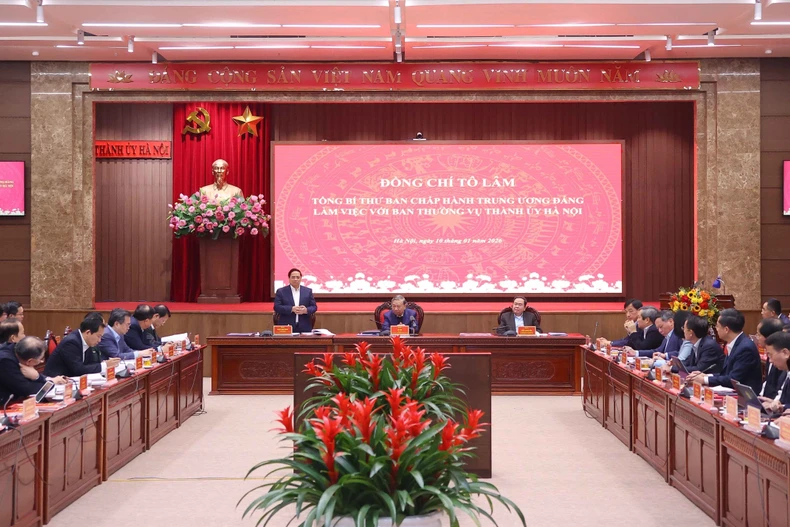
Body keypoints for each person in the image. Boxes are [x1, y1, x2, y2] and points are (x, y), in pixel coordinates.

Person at [687, 308, 762, 393]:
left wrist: (704, 380)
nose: (716, 329)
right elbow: (726, 374)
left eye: (718, 326)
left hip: (745, 398)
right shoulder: (735, 343)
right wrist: (705, 375)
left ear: (726, 329)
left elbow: (734, 379)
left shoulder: (745, 348)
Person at [44, 313, 119, 377]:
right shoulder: (71, 342)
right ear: (88, 333)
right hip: (57, 383)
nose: (99, 340)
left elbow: (90, 364)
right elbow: (78, 369)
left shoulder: (87, 341)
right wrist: (105, 365)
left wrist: (105, 363)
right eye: (98, 336)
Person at [0, 336, 68, 403]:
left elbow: (32, 377)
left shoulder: (17, 349)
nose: (42, 361)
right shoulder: (5, 362)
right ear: (30, 361)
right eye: (41, 359)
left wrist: (38, 377)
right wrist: (51, 383)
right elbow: (27, 389)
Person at [273, 268, 317, 333]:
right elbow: (276, 307)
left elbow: (314, 307)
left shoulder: (308, 291)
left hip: (304, 326)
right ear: (289, 278)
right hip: (286, 327)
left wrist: (306, 310)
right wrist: (291, 309)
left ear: (301, 278)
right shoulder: (281, 291)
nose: (295, 279)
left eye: (297, 277)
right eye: (293, 277)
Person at [759, 331, 790, 415]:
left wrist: (783, 407)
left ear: (785, 353)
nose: (771, 361)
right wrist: (777, 405)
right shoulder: (785, 373)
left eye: (770, 355)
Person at [756, 318, 786, 398]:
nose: (757, 337)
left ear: (769, 337)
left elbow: (780, 390)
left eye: (759, 335)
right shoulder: (771, 355)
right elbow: (768, 382)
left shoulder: (782, 361)